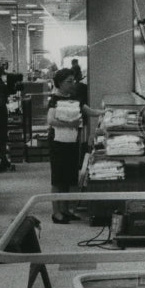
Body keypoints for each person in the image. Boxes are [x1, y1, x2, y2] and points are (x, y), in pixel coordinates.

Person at [47, 68, 103, 224]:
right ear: (59, 83)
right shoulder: (54, 100)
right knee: (58, 178)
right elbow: (50, 120)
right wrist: (69, 124)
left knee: (69, 177)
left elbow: (89, 111)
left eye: (73, 81)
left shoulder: (75, 98)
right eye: (68, 82)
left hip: (72, 142)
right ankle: (56, 212)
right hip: (57, 143)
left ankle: (65, 210)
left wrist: (106, 112)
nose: (72, 84)